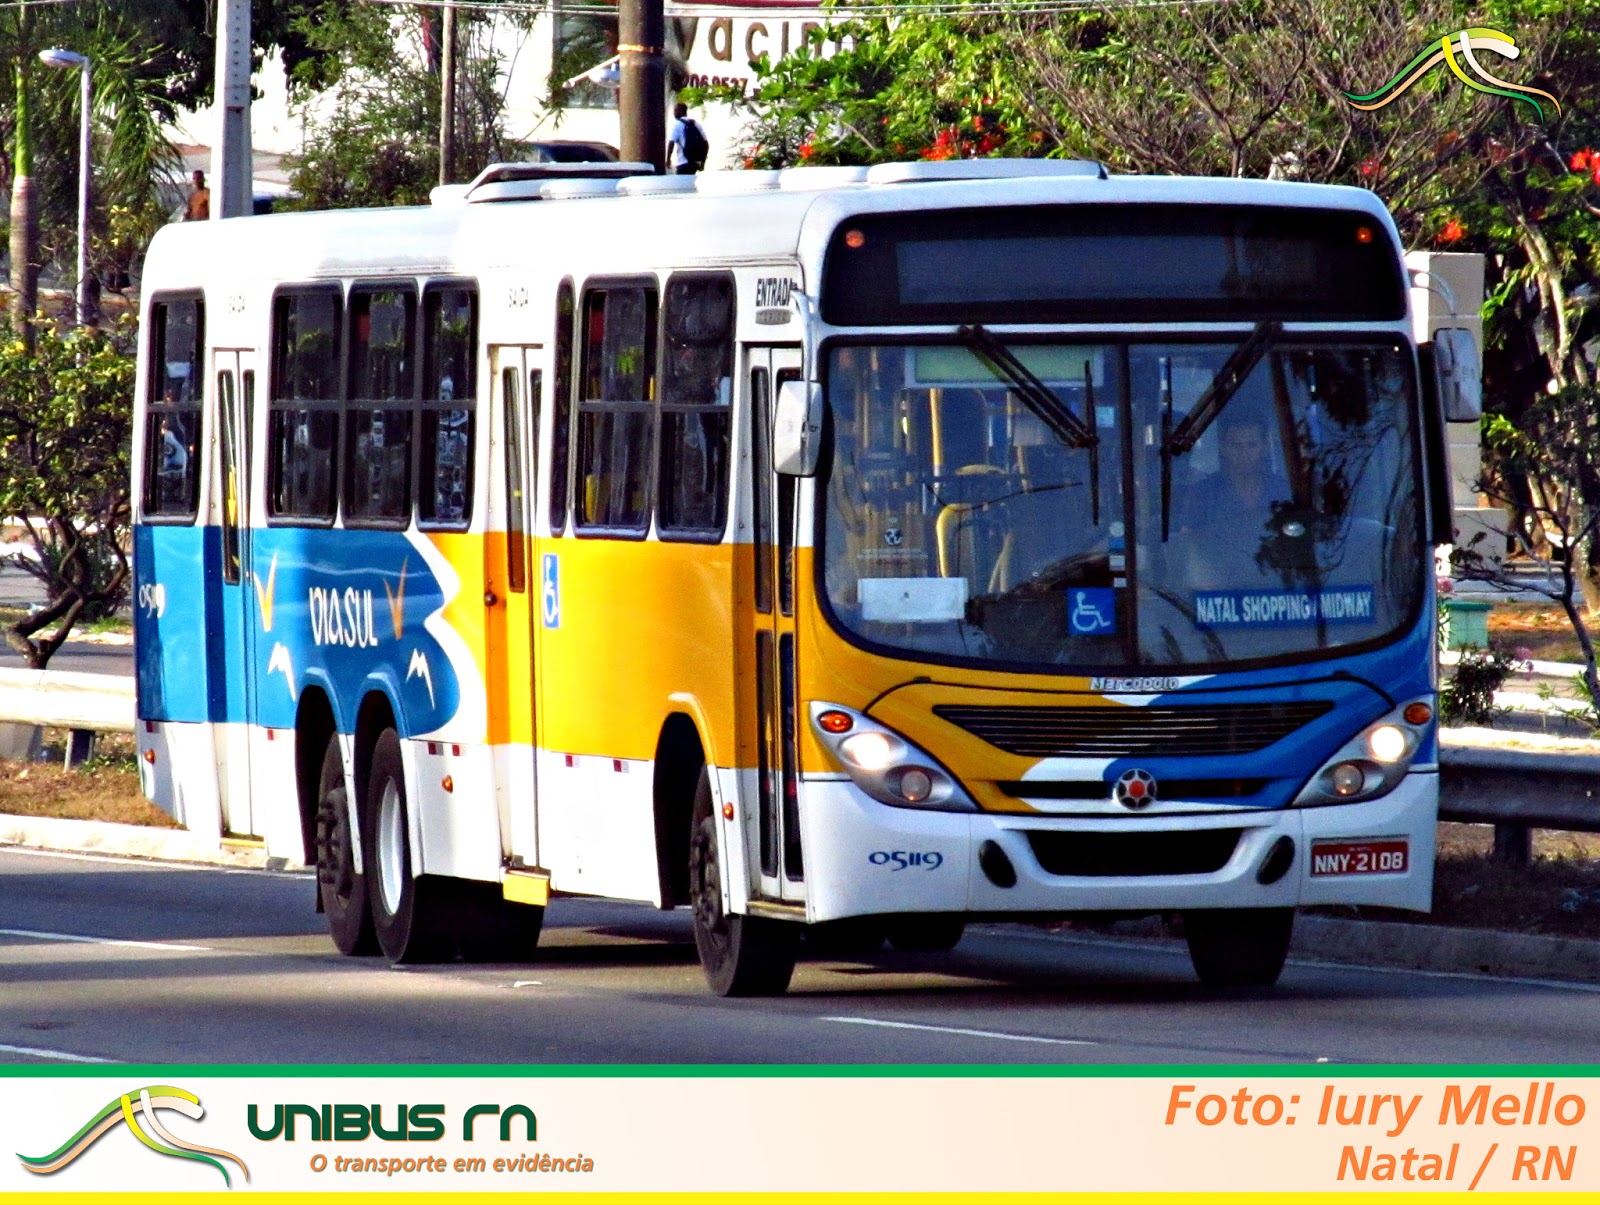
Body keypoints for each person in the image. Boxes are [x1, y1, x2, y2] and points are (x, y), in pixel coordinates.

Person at [667, 103, 708, 175]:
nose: (674, 113)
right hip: (695, 163)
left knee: (681, 182)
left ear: (681, 111)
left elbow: (671, 143)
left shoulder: (677, 125)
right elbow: (706, 144)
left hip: (682, 163)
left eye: (675, 111)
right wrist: (703, 162)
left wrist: (668, 159)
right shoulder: (696, 124)